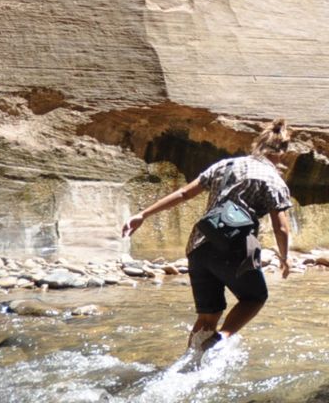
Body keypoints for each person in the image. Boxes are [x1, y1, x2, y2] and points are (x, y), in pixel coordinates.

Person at [121, 121, 297, 355]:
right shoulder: (273, 179)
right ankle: (221, 340)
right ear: (282, 152)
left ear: (258, 145)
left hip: (199, 245)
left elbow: (184, 193)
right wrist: (285, 258)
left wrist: (143, 214)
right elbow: (281, 227)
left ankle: (190, 363)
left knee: (207, 315)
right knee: (255, 298)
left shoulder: (225, 165)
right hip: (236, 247)